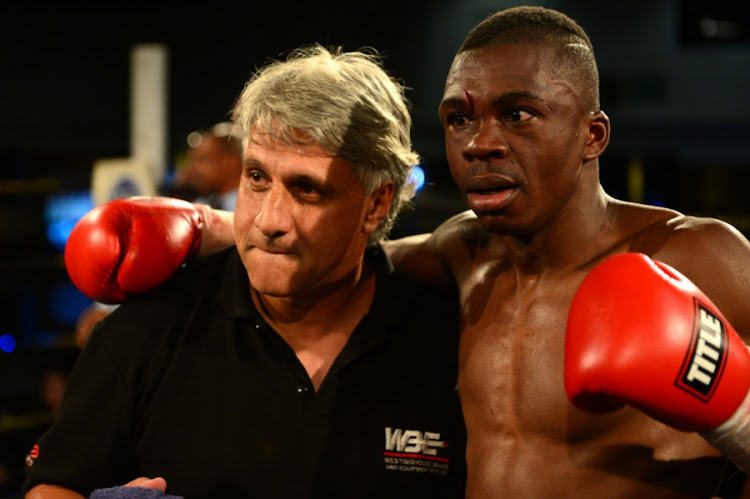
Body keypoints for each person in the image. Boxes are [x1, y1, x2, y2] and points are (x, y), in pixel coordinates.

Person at [23, 45, 466, 498]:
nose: (269, 220)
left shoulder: (452, 345)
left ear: (377, 204)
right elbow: (53, 485)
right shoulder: (148, 332)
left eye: (306, 189)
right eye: (257, 178)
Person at [172, 121, 243, 212]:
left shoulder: (250, 211)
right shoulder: (200, 205)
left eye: (203, 160)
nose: (195, 169)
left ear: (230, 162)